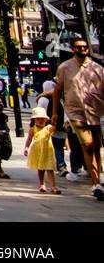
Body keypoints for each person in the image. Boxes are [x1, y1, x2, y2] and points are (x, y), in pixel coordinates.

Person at [53, 35, 104, 201]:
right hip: (75, 112)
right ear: (73, 49)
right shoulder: (65, 67)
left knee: (96, 146)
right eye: (78, 47)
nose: (82, 49)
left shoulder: (98, 69)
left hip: (95, 112)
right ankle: (96, 183)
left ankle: (98, 175)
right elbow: (57, 91)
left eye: (84, 47)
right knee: (88, 145)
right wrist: (55, 113)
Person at [24, 106, 59, 194]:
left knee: (50, 168)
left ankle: (53, 186)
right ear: (34, 120)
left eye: (42, 119)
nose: (40, 120)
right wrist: (26, 147)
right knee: (40, 168)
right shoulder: (33, 129)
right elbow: (29, 139)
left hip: (47, 151)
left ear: (46, 120)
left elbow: (53, 128)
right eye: (38, 119)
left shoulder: (48, 127)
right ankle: (42, 184)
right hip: (38, 151)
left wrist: (54, 122)